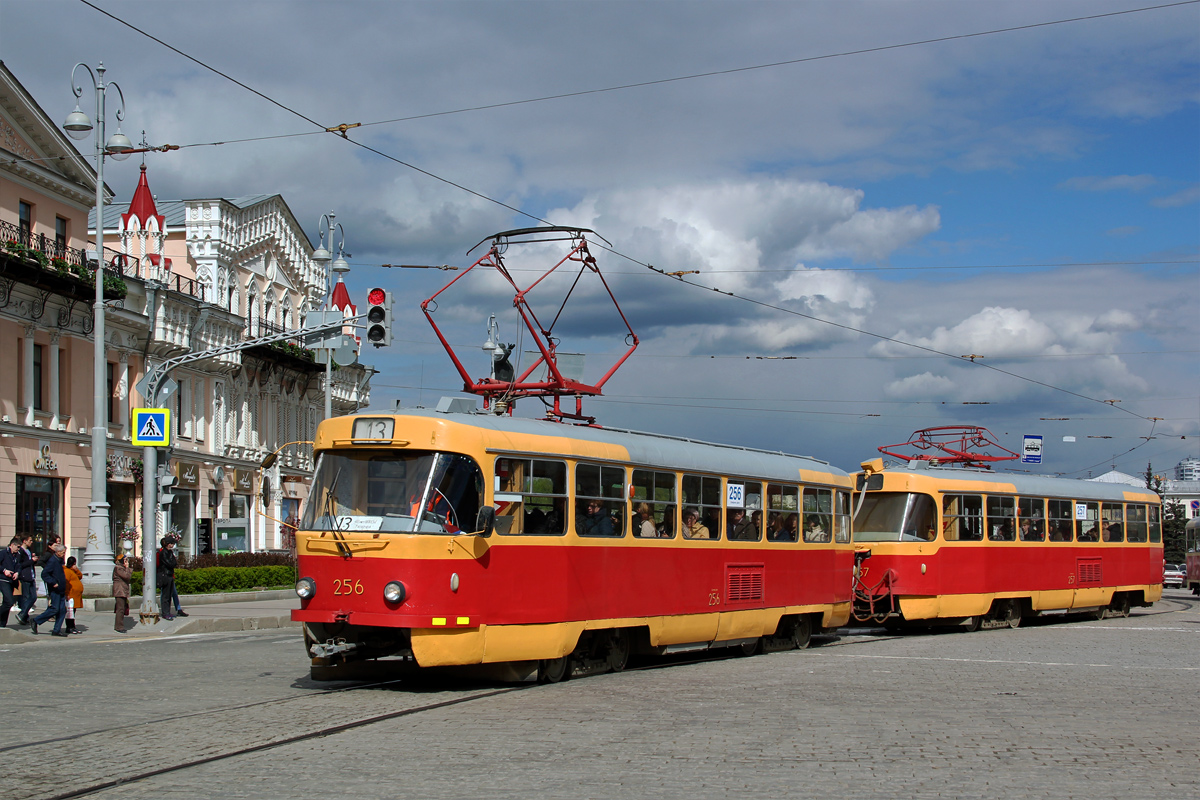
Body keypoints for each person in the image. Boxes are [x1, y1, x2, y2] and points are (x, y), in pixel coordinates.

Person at [30, 542, 68, 636]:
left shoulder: (59, 561)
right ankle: (36, 620)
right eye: (63, 552)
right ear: (58, 552)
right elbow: (44, 574)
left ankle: (56, 630)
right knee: (55, 609)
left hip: (61, 589)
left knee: (62, 610)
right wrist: (53, 582)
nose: (64, 554)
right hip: (55, 589)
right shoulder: (53, 561)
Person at [15, 534, 38, 625]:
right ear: (24, 541)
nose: (31, 542)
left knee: (33, 597)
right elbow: (20, 564)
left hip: (31, 576)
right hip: (25, 576)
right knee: (26, 597)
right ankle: (23, 615)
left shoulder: (28, 551)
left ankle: (23, 614)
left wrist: (33, 560)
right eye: (30, 540)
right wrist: (31, 560)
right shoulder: (20, 551)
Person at [157, 537, 178, 620]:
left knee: (169, 595)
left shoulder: (170, 552)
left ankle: (168, 612)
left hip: (170, 575)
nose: (173, 545)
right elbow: (169, 563)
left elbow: (174, 562)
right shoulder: (163, 552)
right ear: (168, 544)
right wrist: (172, 563)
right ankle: (165, 613)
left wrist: (173, 562)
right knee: (165, 595)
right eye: (172, 543)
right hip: (165, 575)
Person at [0, 537, 20, 627]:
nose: (18, 549)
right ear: (12, 545)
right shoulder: (4, 553)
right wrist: (4, 570)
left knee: (6, 603)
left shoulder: (17, 555)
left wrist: (17, 573)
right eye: (18, 547)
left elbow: (19, 565)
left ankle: (2, 624)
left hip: (12, 580)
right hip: (3, 579)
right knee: (9, 601)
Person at [112, 554, 132, 633]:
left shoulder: (120, 568)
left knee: (122, 608)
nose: (127, 562)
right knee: (120, 609)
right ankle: (119, 626)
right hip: (119, 591)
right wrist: (127, 568)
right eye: (125, 560)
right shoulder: (118, 568)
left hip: (122, 590)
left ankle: (120, 625)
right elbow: (127, 576)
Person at [64, 556, 84, 634]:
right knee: (70, 612)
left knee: (73, 612)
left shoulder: (73, 571)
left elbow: (80, 576)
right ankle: (69, 627)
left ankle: (72, 626)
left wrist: (77, 570)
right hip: (71, 594)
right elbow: (66, 583)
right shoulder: (67, 571)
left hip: (75, 595)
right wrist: (67, 593)